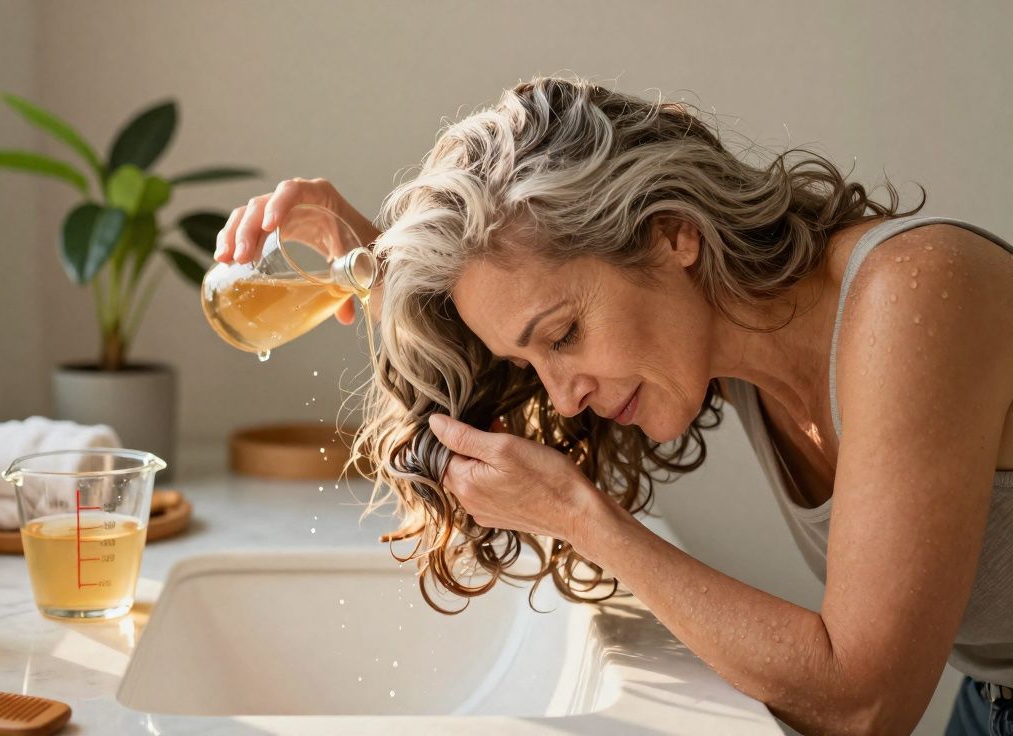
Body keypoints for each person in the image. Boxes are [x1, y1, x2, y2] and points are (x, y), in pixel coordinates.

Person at [213, 76, 1013, 735]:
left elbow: (865, 703)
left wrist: (580, 517)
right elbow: (502, 345)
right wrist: (379, 269)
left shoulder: (915, 295)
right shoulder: (727, 334)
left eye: (563, 335)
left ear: (672, 234)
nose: (562, 393)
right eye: (528, 357)